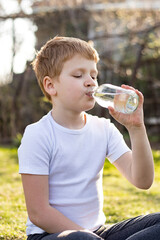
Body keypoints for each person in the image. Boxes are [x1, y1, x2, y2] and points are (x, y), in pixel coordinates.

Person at [18, 36, 160, 240]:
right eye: (78, 75)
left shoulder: (103, 128)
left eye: (94, 76)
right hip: (53, 235)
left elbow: (143, 180)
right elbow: (39, 213)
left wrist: (136, 128)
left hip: (98, 233)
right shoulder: (38, 134)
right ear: (50, 86)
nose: (90, 82)